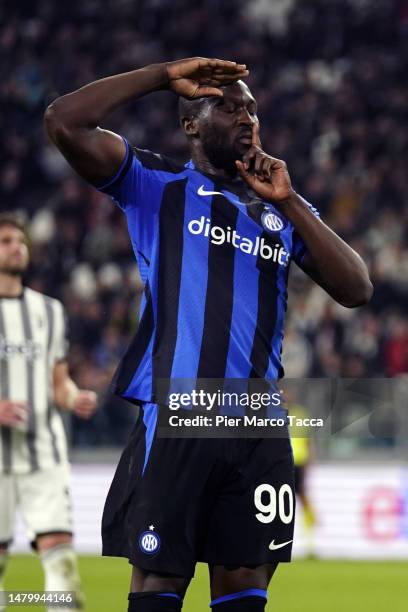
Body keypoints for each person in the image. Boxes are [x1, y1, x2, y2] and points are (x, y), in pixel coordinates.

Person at [45, 58, 373, 612]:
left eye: (251, 108)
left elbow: (357, 287)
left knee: (246, 585)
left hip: (258, 426)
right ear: (191, 124)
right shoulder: (157, 186)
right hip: (181, 418)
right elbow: (64, 121)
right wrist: (159, 76)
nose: (246, 116)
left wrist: (290, 201)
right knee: (159, 585)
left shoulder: (278, 210)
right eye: (228, 106)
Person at [0, 214, 97, 611]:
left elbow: (59, 382)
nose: (16, 247)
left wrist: (73, 397)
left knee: (62, 560)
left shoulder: (49, 311)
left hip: (45, 453)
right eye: (5, 241)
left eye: (19, 241)